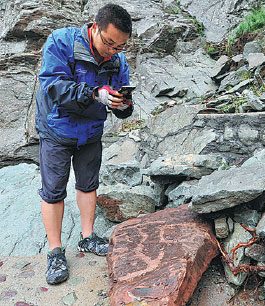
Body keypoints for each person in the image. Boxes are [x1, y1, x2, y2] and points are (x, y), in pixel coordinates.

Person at [35, 4, 134, 285]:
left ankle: (88, 237)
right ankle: (55, 252)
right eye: (109, 43)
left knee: (88, 183)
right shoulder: (61, 42)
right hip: (56, 128)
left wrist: (123, 105)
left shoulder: (118, 61)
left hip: (90, 131)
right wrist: (94, 93)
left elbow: (122, 101)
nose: (112, 51)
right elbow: (52, 86)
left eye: (120, 46)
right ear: (95, 27)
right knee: (53, 190)